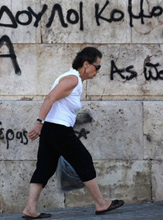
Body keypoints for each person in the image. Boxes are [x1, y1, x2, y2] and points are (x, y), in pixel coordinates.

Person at [22, 47, 124, 219]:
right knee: (83, 160)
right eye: (97, 67)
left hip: (52, 129)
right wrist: (39, 123)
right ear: (86, 64)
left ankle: (30, 209)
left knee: (45, 167)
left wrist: (43, 125)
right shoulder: (72, 79)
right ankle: (101, 203)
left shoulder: (72, 79)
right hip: (58, 129)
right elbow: (50, 98)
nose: (98, 71)